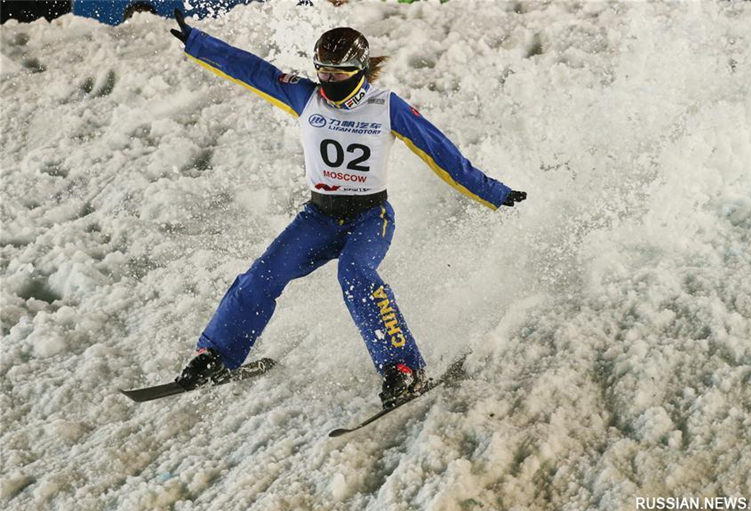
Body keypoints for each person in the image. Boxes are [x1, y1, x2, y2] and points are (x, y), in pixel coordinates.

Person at [169, 11, 527, 408]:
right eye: (321, 71)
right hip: (318, 217)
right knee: (262, 275)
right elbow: (255, 71)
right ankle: (216, 355)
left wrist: (494, 192)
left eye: (336, 74)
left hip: (370, 217)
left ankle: (402, 369)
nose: (326, 81)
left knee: (355, 275)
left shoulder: (384, 106)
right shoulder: (305, 96)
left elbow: (440, 152)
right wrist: (198, 42)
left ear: (358, 69)